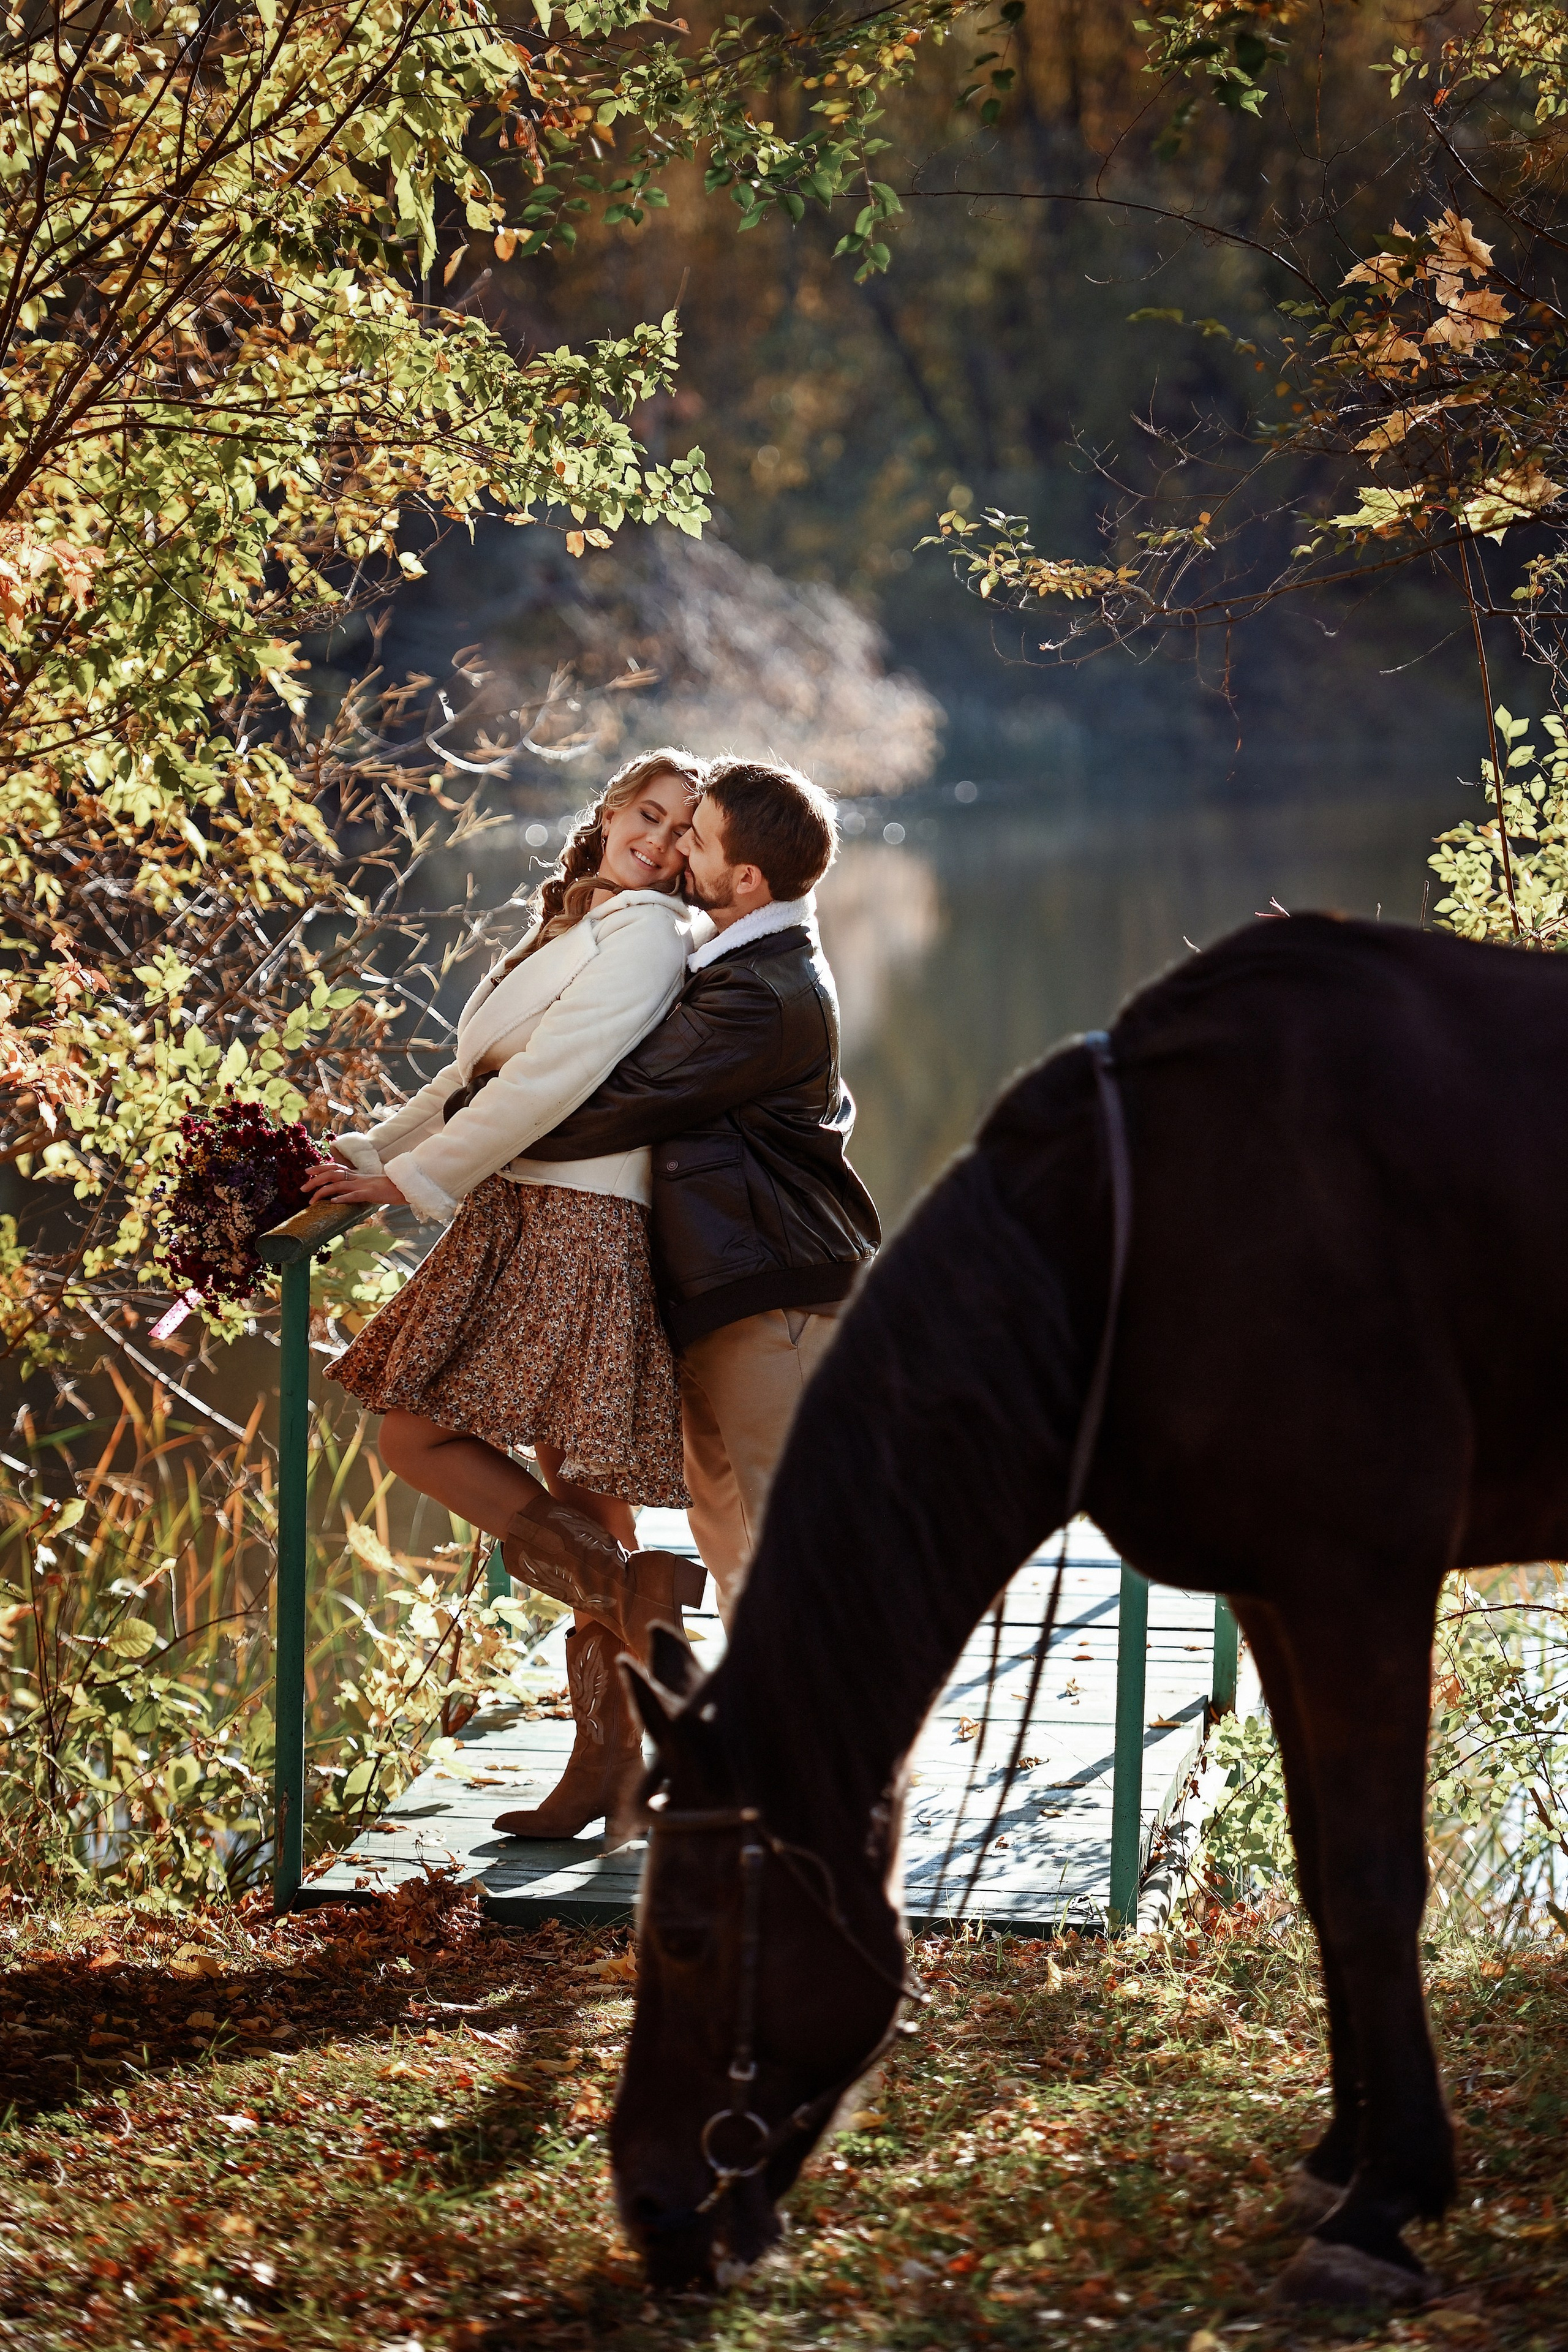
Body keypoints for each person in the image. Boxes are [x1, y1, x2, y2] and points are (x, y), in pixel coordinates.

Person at [300, 748, 709, 1846]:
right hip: (521, 1208)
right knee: (530, 1474)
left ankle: (624, 1661)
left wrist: (405, 1180)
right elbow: (471, 1078)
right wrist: (356, 1155)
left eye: (685, 833)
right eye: (649, 814)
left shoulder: (650, 933)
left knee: (440, 1444)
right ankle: (624, 1695)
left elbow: (550, 1081)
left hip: (578, 1214)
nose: (661, 842)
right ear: (614, 808)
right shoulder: (580, 920)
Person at [522, 756, 881, 1627]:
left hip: (773, 1304)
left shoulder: (758, 990)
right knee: (734, 1552)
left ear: (746, 878)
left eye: (698, 837)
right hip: (725, 1297)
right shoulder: (730, 959)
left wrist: (468, 1138)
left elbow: (609, 1106)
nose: (679, 849)